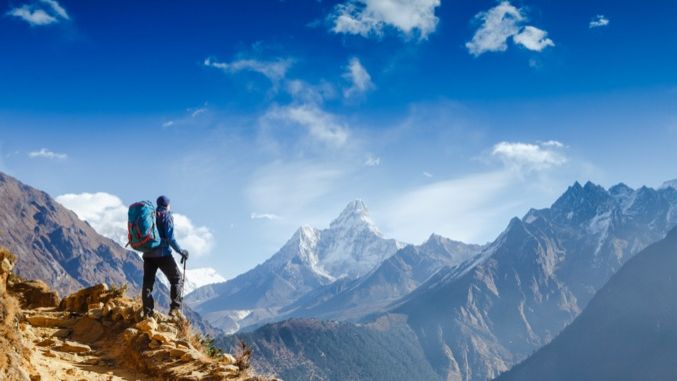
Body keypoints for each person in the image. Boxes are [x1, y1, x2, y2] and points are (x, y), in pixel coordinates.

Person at [141, 195, 189, 318]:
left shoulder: (149, 215)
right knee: (177, 278)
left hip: (148, 254)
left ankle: (147, 313)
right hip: (163, 254)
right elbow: (170, 238)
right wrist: (181, 251)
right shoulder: (166, 216)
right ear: (167, 204)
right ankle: (175, 309)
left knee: (147, 284)